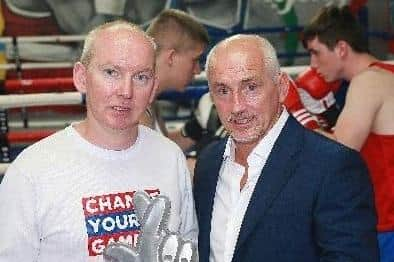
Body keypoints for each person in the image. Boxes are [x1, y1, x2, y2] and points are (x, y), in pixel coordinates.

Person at [0, 20, 197, 261]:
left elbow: (187, 249)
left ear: (153, 88)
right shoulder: (31, 172)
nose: (126, 91)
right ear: (81, 77)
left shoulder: (170, 158)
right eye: (111, 72)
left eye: (141, 77)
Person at [193, 34, 379, 262]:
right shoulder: (209, 162)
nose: (237, 106)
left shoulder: (333, 166)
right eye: (223, 91)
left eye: (250, 87)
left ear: (281, 87)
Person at [302, 5, 394, 261]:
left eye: (316, 53)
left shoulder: (368, 82)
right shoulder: (383, 75)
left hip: (389, 223)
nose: (312, 64)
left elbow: (340, 152)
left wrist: (298, 114)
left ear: (341, 48)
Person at [140, 8, 210, 152]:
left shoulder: (149, 98)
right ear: (171, 57)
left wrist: (196, 126)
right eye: (195, 60)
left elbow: (163, 150)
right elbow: (155, 168)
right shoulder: (135, 108)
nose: (197, 70)